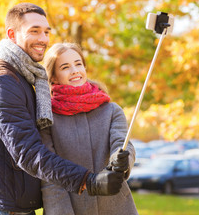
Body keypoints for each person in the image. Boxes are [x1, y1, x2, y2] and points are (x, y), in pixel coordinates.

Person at [0, 3, 126, 215]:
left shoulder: (23, 76)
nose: (43, 39)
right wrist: (89, 181)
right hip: (2, 207)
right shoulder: (2, 83)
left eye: (46, 32)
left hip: (16, 204)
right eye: (34, 31)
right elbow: (29, 153)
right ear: (12, 34)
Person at [41, 42, 139, 215]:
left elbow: (122, 144)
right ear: (53, 77)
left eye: (78, 64)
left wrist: (122, 158)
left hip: (118, 207)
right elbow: (50, 177)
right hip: (72, 208)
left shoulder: (111, 110)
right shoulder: (47, 119)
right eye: (65, 67)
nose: (75, 71)